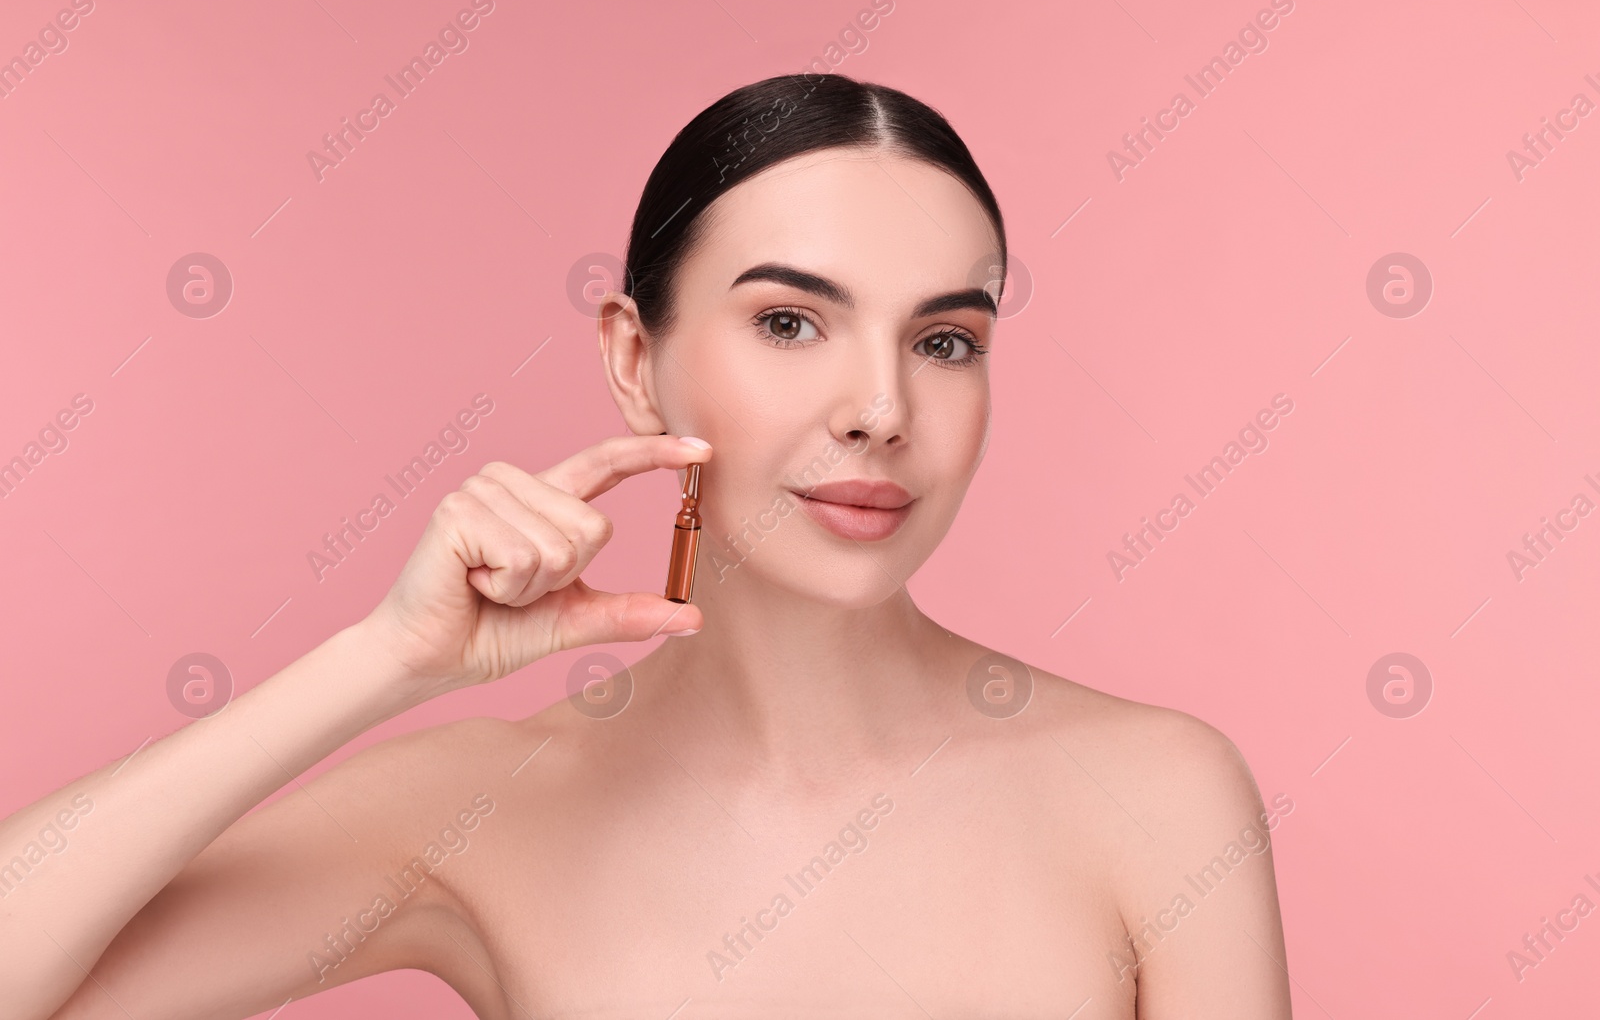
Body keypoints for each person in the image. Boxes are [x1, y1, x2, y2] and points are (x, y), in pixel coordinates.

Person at [1, 73, 1291, 1019]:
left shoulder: (1155, 796)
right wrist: (380, 661)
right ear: (635, 360)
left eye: (944, 341)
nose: (882, 410)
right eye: (791, 323)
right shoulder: (479, 808)